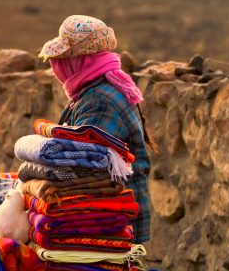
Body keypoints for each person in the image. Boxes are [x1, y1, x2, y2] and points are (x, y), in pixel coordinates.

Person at [38, 15, 153, 243]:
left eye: (62, 59)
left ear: (80, 61)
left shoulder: (99, 99)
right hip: (112, 213)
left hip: (113, 219)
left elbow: (84, 166)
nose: (57, 66)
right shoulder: (96, 90)